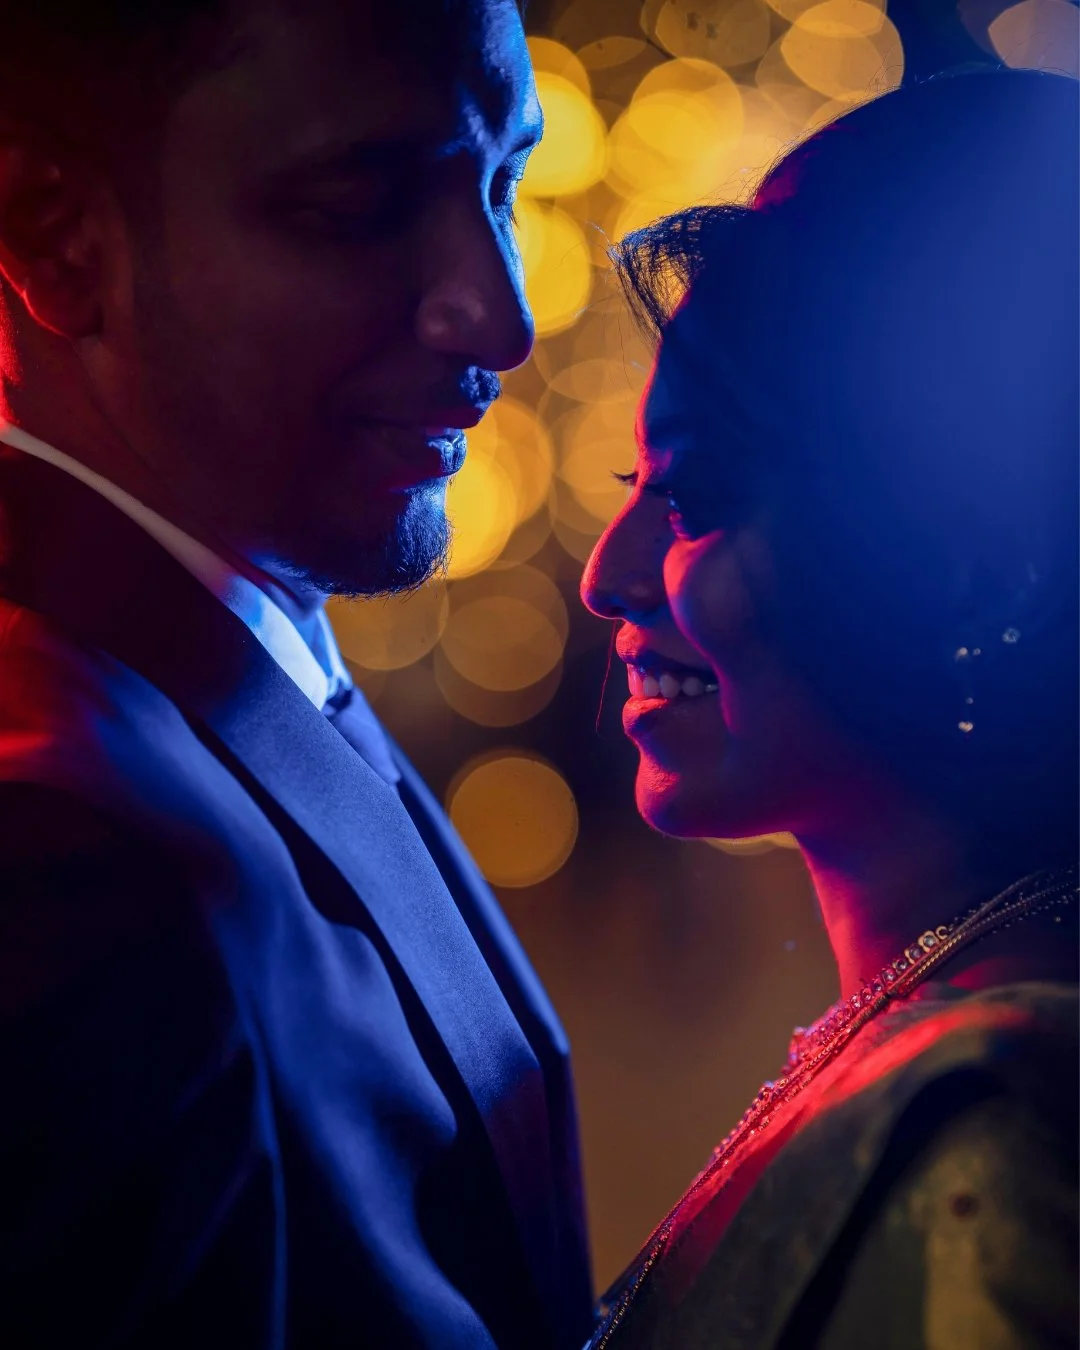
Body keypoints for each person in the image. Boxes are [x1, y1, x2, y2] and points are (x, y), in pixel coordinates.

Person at [0, 1, 593, 1346]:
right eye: (364, 204)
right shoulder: (57, 843)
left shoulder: (215, 670)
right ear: (55, 233)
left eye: (503, 180)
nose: (498, 316)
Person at [582, 69, 1078, 1349]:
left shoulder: (1000, 1111)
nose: (606, 577)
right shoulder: (928, 1033)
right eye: (634, 483)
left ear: (981, 570)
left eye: (691, 500)